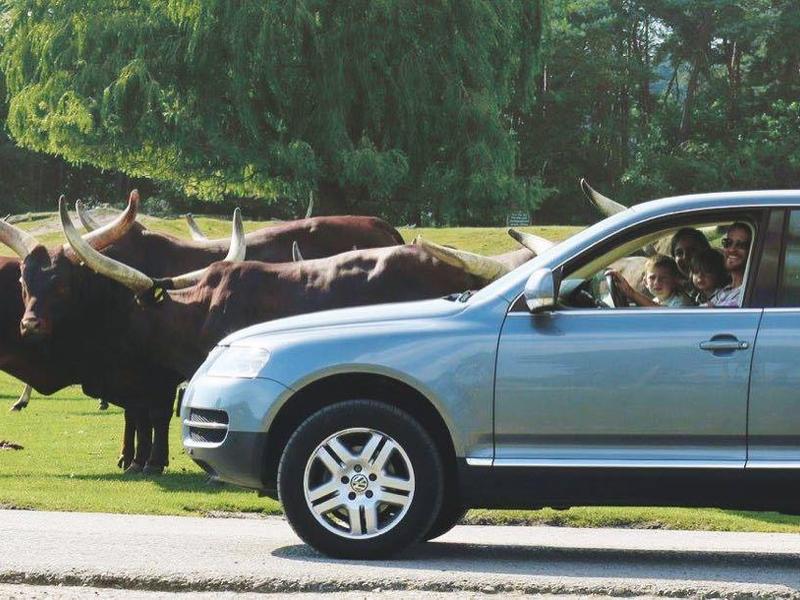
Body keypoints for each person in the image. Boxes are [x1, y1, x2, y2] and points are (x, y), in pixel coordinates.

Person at [608, 254, 694, 308]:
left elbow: (664, 314)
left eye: (663, 278)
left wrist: (632, 293)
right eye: (652, 278)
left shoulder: (681, 301)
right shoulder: (656, 300)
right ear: (645, 282)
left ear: (674, 281)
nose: (657, 282)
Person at [711, 222, 751, 307]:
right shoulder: (724, 290)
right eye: (728, 243)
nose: (732, 250)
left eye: (741, 245)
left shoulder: (748, 294)